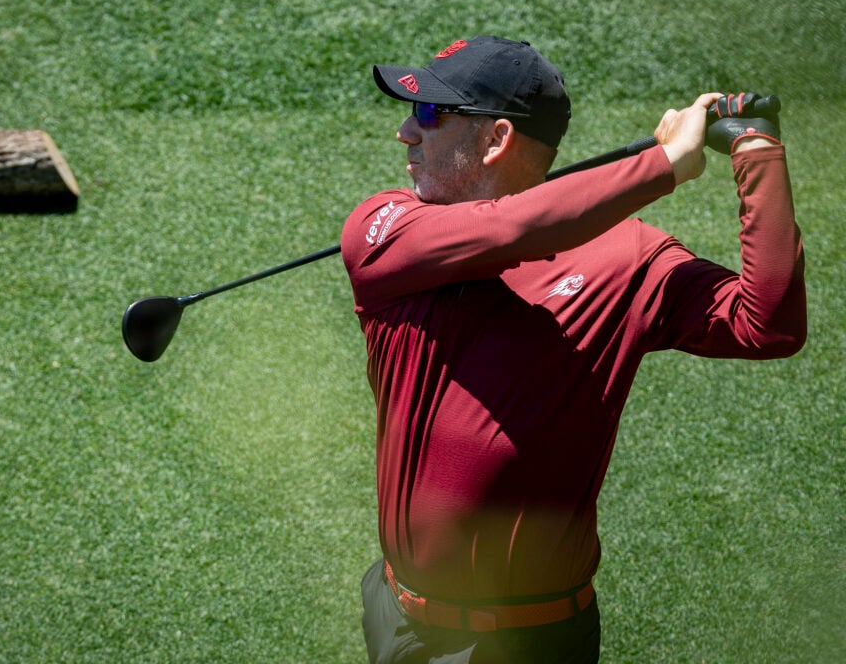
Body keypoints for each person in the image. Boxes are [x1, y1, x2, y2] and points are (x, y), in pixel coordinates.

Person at [340, 36, 806, 663]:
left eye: (429, 114)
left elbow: (766, 323)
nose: (405, 132)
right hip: (397, 615)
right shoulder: (384, 230)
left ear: (496, 139)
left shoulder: (628, 257)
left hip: (527, 643)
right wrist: (665, 163)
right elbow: (508, 228)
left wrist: (756, 151)